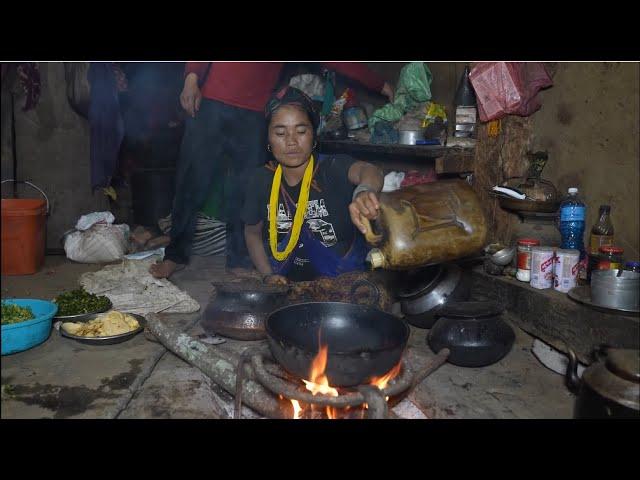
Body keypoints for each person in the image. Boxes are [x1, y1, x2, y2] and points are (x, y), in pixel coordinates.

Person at [150, 62, 394, 279]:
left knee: (243, 185)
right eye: (284, 134)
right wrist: (191, 77)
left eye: (301, 132)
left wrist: (380, 84)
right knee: (191, 180)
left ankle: (237, 259)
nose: (292, 139)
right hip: (212, 100)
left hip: (254, 112)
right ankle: (175, 255)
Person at [242, 86, 384, 285]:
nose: (291, 141)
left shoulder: (332, 168)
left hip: (344, 287)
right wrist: (268, 275)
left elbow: (369, 170)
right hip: (287, 286)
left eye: (301, 131)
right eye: (280, 133)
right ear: (268, 139)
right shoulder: (261, 179)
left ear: (313, 135)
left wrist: (364, 191)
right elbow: (252, 233)